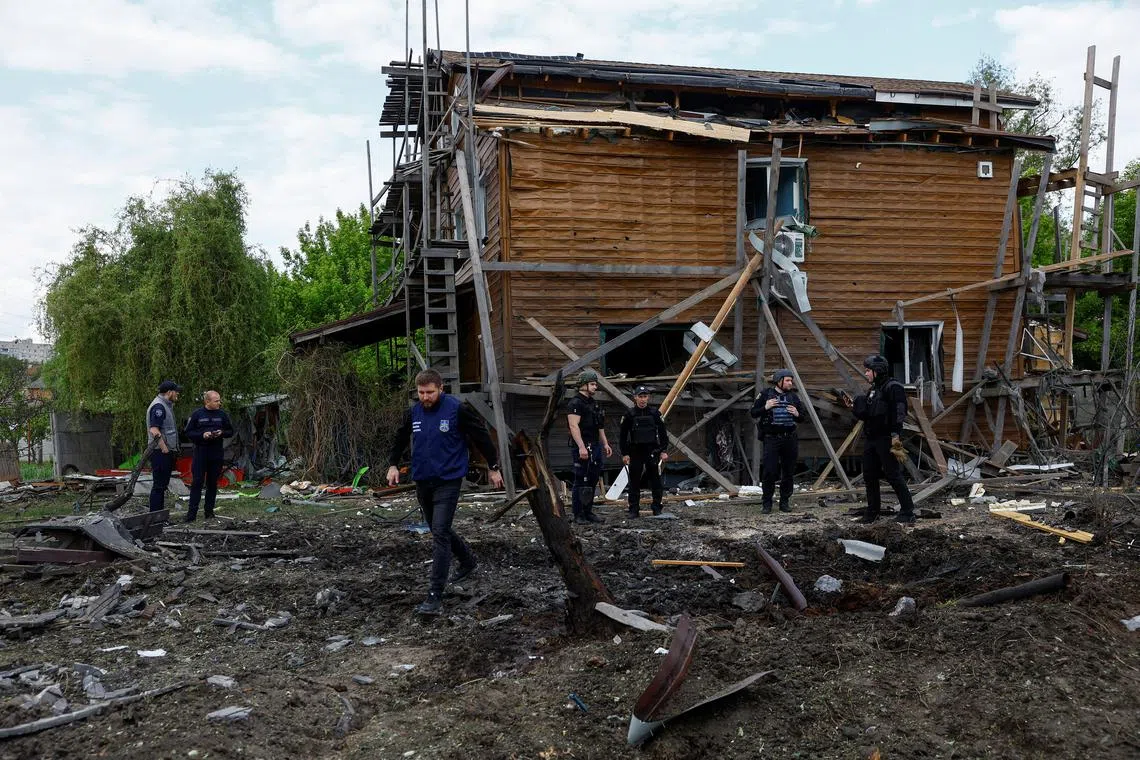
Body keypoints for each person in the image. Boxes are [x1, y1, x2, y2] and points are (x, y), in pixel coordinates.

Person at [386, 369, 504, 615]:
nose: (425, 397)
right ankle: (468, 560)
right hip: (423, 479)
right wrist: (393, 464)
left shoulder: (456, 409)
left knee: (439, 533)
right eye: (421, 393)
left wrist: (494, 467)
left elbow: (481, 436)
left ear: (440, 388)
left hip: (449, 480)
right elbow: (399, 437)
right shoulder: (414, 412)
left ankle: (434, 594)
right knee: (438, 527)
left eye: (430, 392)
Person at [843, 354, 916, 524]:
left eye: (868, 371)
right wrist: (854, 407)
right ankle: (872, 512)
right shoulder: (873, 390)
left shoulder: (893, 387)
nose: (866, 374)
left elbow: (899, 411)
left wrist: (895, 435)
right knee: (869, 475)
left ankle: (907, 512)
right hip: (871, 439)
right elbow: (867, 413)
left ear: (878, 371)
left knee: (893, 475)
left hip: (886, 438)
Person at [750, 369, 806, 514]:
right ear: (779, 381)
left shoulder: (793, 397)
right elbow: (753, 412)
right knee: (769, 471)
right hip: (772, 439)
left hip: (789, 438)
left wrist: (797, 414)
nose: (790, 383)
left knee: (788, 472)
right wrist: (766, 407)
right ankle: (767, 503)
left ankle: (785, 502)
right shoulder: (765, 394)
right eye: (787, 380)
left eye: (791, 380)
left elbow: (802, 417)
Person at [566, 369, 611, 525]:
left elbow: (600, 425)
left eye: (595, 384)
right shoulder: (575, 403)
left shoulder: (593, 403)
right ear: (583, 385)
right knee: (580, 480)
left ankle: (588, 511)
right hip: (583, 446)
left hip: (595, 445)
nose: (595, 387)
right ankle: (578, 514)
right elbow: (573, 426)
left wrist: (605, 443)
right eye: (592, 384)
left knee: (592, 479)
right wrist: (581, 447)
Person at [184, 390, 235, 522]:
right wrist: (203, 435)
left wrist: (221, 432)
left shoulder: (222, 415)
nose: (219, 403)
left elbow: (230, 431)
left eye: (219, 400)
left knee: (212, 483)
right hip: (201, 452)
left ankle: (209, 512)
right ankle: (191, 515)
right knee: (197, 482)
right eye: (216, 400)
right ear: (207, 401)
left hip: (216, 452)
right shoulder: (197, 414)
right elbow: (188, 432)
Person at [619, 385, 669, 518]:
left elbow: (663, 434)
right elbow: (623, 436)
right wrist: (625, 453)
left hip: (652, 450)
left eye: (645, 396)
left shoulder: (655, 413)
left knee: (655, 481)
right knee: (634, 481)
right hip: (635, 451)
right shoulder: (629, 414)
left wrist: (663, 450)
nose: (642, 399)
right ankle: (633, 509)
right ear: (635, 397)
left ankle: (657, 508)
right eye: (640, 396)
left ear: (648, 397)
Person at [146, 380, 182, 513]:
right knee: (159, 486)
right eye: (176, 391)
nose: (177, 393)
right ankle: (156, 517)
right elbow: (154, 430)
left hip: (163, 452)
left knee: (161, 485)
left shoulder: (166, 405)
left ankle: (159, 516)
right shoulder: (159, 407)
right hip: (160, 452)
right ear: (169, 392)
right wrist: (164, 448)